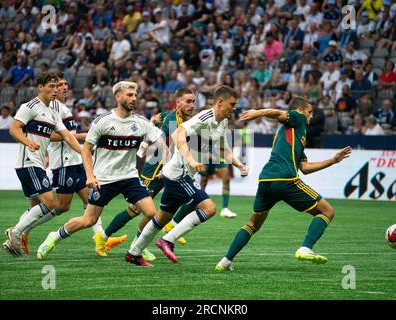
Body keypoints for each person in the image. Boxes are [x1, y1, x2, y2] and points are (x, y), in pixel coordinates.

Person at [215, 97, 352, 271]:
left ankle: (225, 261)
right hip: (285, 179)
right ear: (301, 111)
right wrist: (258, 112)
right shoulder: (298, 118)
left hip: (266, 180)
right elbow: (277, 113)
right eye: (309, 112)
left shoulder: (296, 136)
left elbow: (306, 168)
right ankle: (306, 248)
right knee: (327, 211)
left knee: (253, 224)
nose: (310, 117)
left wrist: (332, 160)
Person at [36, 81, 166, 265]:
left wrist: (166, 163)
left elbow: (161, 143)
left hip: (129, 177)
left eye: (135, 95)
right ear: (118, 96)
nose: (134, 98)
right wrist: (90, 175)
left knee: (151, 212)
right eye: (129, 95)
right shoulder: (103, 121)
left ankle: (137, 249)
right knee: (88, 220)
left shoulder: (141, 122)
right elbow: (86, 150)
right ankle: (54, 237)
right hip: (104, 179)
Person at [125, 85, 249, 266]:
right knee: (209, 209)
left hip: (175, 173)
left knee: (162, 218)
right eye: (232, 104)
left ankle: (133, 253)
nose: (234, 108)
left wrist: (238, 164)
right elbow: (177, 134)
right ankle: (167, 240)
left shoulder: (221, 122)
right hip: (179, 174)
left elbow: (222, 147)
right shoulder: (204, 117)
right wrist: (191, 160)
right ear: (220, 102)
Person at [96, 88, 197, 260]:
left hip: (169, 169)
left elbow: (154, 119)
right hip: (156, 170)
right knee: (136, 209)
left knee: (186, 201)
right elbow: (172, 147)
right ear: (177, 102)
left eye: (194, 101)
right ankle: (106, 238)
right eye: (188, 101)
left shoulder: (170, 115)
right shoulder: (173, 120)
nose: (192, 105)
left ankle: (158, 233)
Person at [41, 72, 126, 256]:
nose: (64, 87)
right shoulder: (52, 107)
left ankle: (100, 240)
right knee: (62, 207)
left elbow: (64, 135)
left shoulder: (65, 107)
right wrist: (80, 137)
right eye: (60, 84)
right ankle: (24, 227)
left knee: (92, 201)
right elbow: (49, 136)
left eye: (65, 84)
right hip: (64, 164)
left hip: (76, 162)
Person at [2, 70, 83, 257]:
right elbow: (14, 129)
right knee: (51, 202)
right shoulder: (30, 106)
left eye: (57, 86)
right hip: (28, 162)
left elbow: (68, 137)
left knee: (39, 205)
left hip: (37, 164)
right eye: (51, 86)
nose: (55, 90)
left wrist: (84, 152)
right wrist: (27, 142)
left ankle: (17, 235)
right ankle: (15, 232)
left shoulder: (53, 113)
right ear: (40, 87)